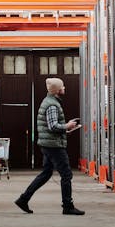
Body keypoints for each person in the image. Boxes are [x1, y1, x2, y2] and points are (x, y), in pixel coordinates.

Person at [15, 77, 84, 215]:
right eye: (62, 87)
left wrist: (67, 127)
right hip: (54, 145)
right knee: (66, 174)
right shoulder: (52, 105)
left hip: (49, 143)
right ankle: (67, 206)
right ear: (57, 90)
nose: (64, 88)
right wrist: (67, 126)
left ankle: (23, 199)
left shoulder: (50, 102)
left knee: (46, 173)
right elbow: (53, 126)